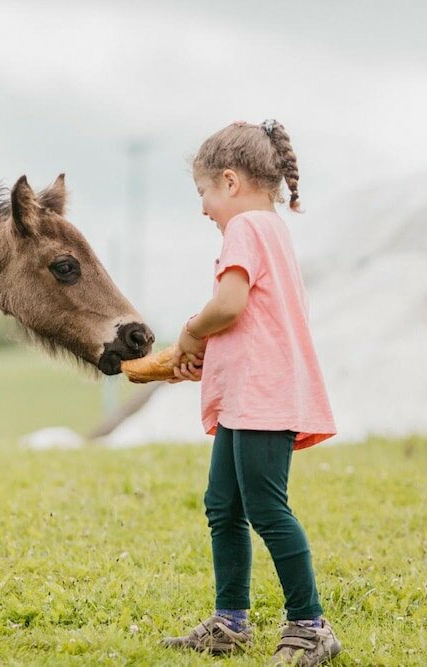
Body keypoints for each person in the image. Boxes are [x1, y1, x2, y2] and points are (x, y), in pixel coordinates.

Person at [161, 120, 341, 666]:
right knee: (224, 504)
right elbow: (254, 320)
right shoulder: (273, 229)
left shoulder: (245, 229)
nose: (203, 209)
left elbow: (231, 304)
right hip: (251, 393)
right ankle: (230, 622)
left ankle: (311, 626)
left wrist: (192, 330)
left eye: (204, 193)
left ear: (231, 181)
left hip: (262, 396)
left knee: (266, 509)